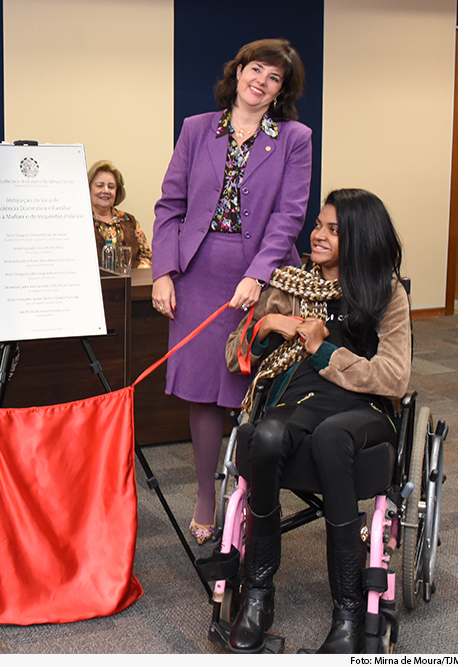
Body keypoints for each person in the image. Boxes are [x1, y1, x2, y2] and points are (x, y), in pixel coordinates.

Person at [224, 188, 410, 653]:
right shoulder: (292, 286)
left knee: (330, 438)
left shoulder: (386, 294)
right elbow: (236, 356)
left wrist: (323, 350)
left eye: (333, 230)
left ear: (360, 239)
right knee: (262, 434)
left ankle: (347, 611)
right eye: (319, 226)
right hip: (301, 399)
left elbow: (393, 376)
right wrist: (268, 326)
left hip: (363, 411)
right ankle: (258, 593)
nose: (318, 235)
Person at [150, 38, 311, 545]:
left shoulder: (294, 138)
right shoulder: (198, 129)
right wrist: (163, 271)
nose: (260, 82)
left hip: (257, 276)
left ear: (281, 91)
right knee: (203, 390)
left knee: (251, 388)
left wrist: (259, 273)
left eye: (274, 78)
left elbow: (289, 216)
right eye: (255, 69)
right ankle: (204, 495)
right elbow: (169, 205)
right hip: (198, 274)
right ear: (238, 71)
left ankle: (249, 492)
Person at [90, 160, 152, 270]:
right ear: (88, 188)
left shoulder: (129, 221)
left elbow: (146, 257)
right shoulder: (80, 222)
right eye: (100, 185)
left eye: (111, 186)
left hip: (130, 285)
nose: (106, 190)